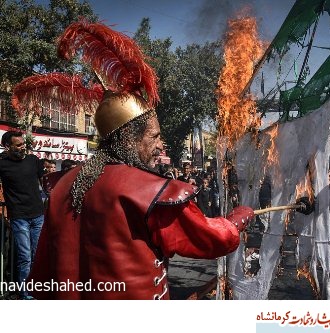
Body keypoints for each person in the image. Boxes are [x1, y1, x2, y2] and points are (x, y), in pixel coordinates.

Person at [26, 20, 254, 300]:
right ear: (129, 137)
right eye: (155, 136)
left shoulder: (61, 185)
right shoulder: (148, 190)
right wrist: (237, 220)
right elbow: (211, 239)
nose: (160, 145)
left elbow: (41, 275)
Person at [0, 131, 45, 299]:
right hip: (19, 217)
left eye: (23, 143)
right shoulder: (2, 164)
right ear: (7, 147)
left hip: (38, 215)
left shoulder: (33, 161)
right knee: (24, 257)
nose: (23, 147)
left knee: (36, 255)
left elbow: (46, 185)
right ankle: (25, 294)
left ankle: (36, 290)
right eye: (18, 145)